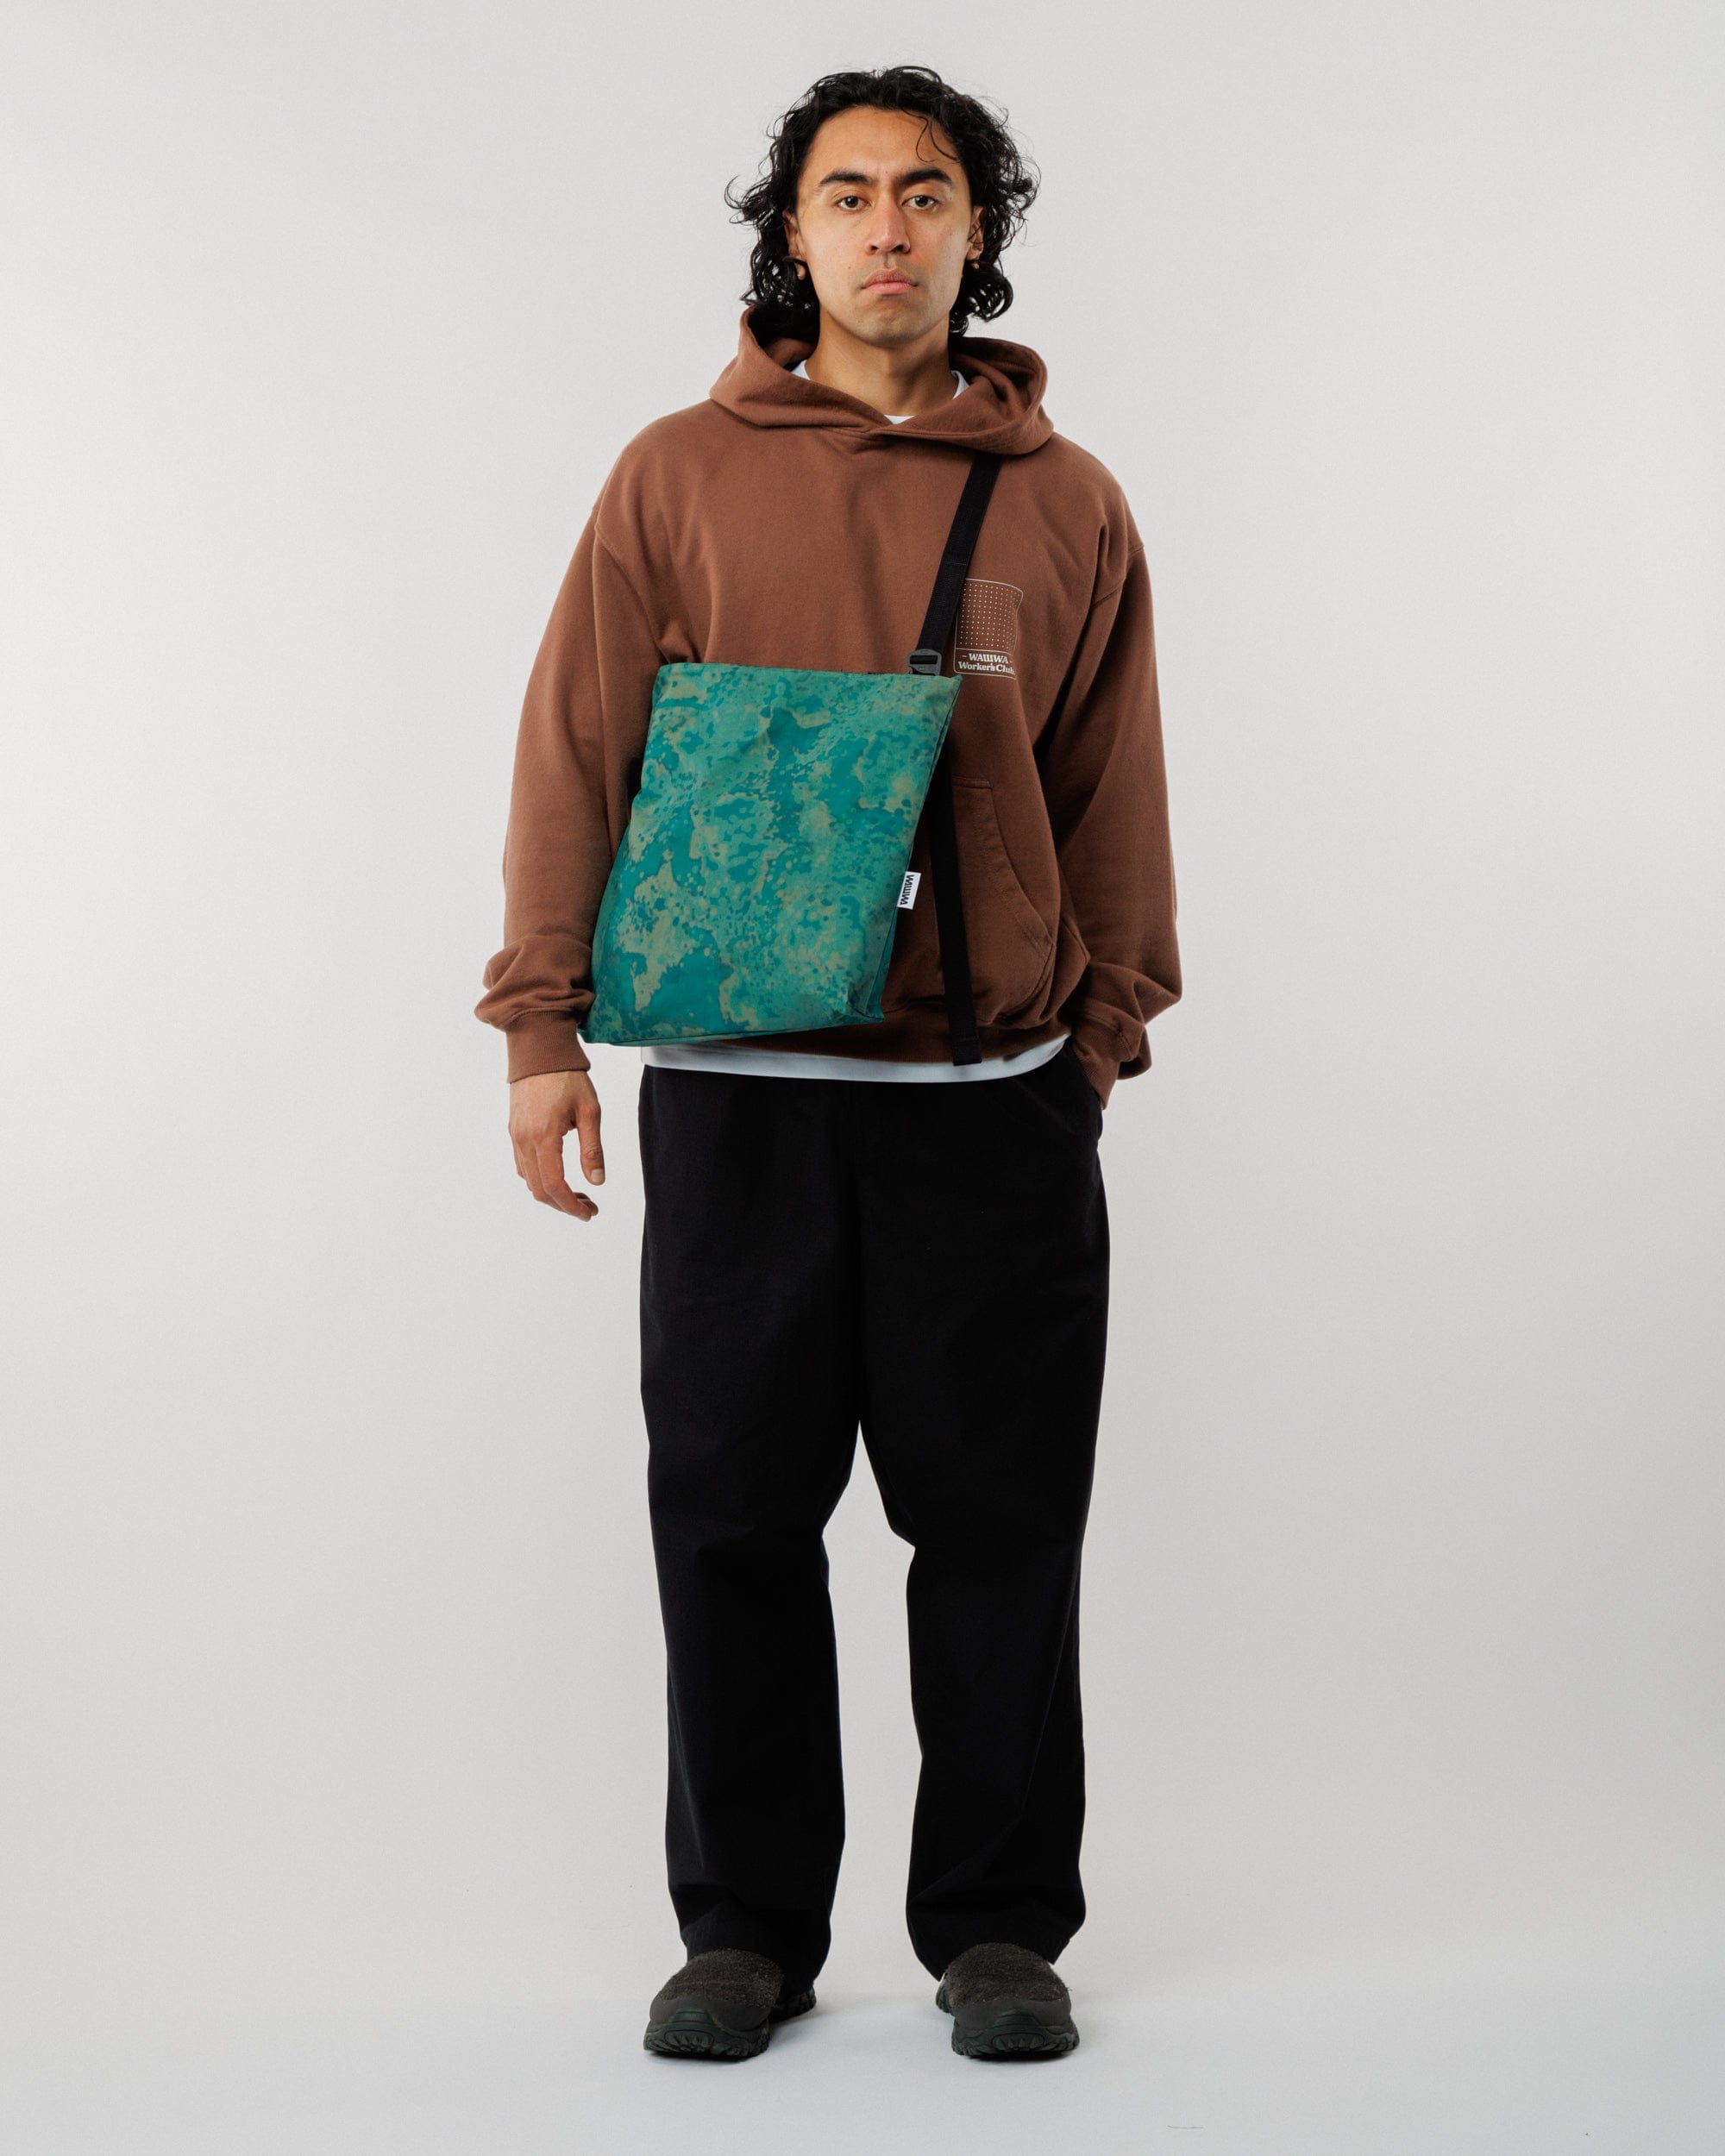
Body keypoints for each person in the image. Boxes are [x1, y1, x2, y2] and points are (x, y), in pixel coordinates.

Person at [475, 64, 1181, 2064]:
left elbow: (1112, 786)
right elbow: (576, 750)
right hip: (742, 1096)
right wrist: (540, 1028)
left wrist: (1099, 1032)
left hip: (995, 1109)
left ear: (978, 229)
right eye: (847, 192)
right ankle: (746, 1928)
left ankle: (997, 1925)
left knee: (1002, 1526)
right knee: (727, 1519)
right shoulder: (675, 475)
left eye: (926, 192)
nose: (887, 227)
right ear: (790, 232)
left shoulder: (1068, 498)